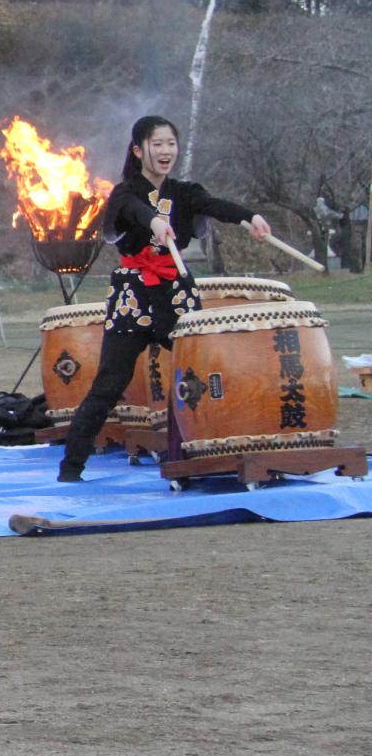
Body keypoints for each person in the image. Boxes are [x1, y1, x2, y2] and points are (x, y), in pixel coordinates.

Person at [56, 115, 272, 482]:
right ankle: (71, 467)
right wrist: (154, 222)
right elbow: (136, 211)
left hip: (176, 292)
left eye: (171, 143)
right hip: (134, 293)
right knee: (110, 380)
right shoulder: (125, 192)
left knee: (203, 375)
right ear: (139, 150)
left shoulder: (185, 192)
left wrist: (248, 217)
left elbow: (215, 205)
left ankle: (208, 453)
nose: (165, 150)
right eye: (157, 144)